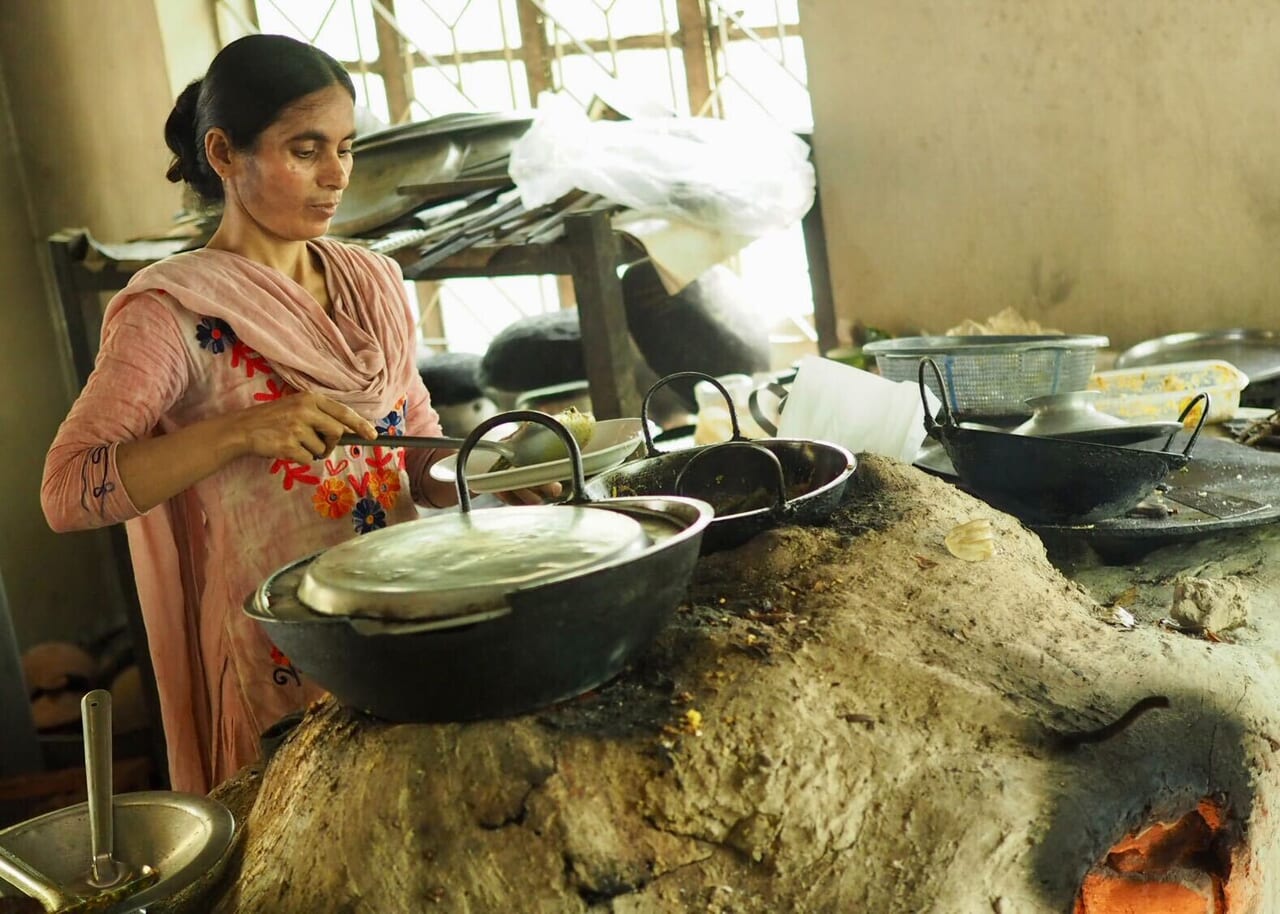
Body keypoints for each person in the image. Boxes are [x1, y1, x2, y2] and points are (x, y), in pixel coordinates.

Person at [40, 34, 550, 794]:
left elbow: (414, 452)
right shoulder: (172, 313)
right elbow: (69, 491)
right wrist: (241, 430)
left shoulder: (372, 283)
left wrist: (491, 470)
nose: (337, 175)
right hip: (276, 652)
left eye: (346, 147)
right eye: (305, 149)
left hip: (392, 626)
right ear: (223, 153)